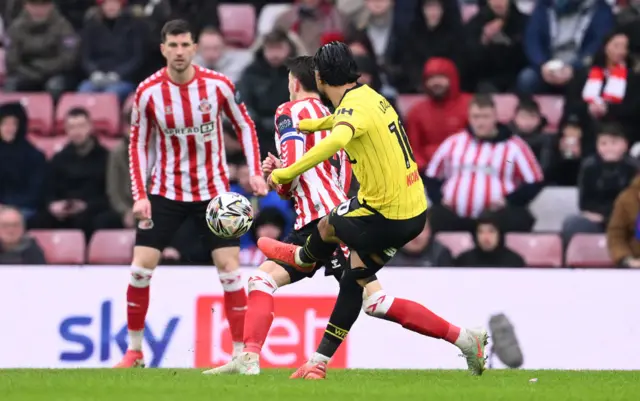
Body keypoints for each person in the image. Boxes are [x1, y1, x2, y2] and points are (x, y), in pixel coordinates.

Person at [258, 42, 488, 379]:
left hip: (385, 214)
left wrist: (285, 172)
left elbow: (338, 139)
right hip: (410, 210)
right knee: (364, 292)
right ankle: (467, 341)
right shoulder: (370, 97)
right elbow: (343, 121)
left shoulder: (353, 111)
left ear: (320, 78)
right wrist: (311, 127)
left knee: (328, 224)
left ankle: (304, 258)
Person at [114, 19, 268, 368]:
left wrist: (255, 172)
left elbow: (245, 125)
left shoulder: (219, 86)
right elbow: (138, 144)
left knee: (230, 271)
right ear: (163, 49)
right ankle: (135, 351)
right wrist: (140, 193)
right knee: (140, 269)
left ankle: (242, 354)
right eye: (173, 45)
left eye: (185, 45)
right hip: (166, 192)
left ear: (195, 47)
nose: (180, 52)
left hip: (214, 195)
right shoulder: (148, 91)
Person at [203, 55, 352, 375]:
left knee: (375, 302)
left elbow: (294, 173)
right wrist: (282, 174)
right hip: (332, 219)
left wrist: (276, 179)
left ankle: (463, 338)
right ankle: (249, 358)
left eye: (288, 81)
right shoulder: (333, 117)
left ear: (294, 83)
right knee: (261, 278)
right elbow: (336, 174)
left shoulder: (290, 112)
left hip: (322, 223)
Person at [425, 95, 544, 234]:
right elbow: (431, 176)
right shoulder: (453, 143)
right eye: (476, 117)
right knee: (430, 218)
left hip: (496, 219)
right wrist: (440, 199)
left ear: (495, 117)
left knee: (522, 218)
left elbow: (535, 181)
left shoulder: (514, 146)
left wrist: (509, 201)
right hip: (454, 216)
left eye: (485, 117)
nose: (480, 122)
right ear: (469, 118)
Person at [454, 211, 526, 268]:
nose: (486, 237)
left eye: (491, 231)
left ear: (500, 234)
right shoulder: (464, 260)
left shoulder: (514, 261)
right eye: (481, 232)